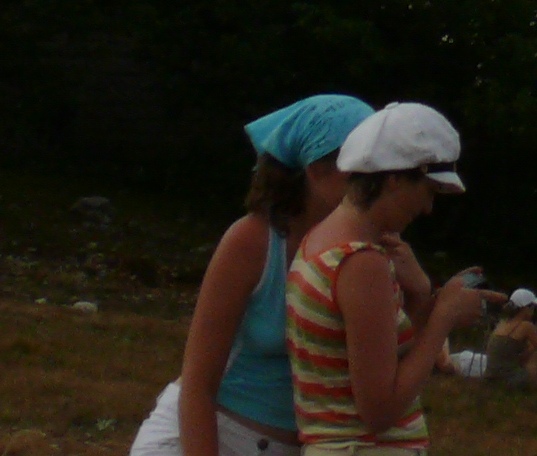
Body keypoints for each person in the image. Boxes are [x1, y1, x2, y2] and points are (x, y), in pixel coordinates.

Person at [132, 95, 374, 456]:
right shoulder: (254, 241)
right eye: (362, 170)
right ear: (316, 170)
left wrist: (424, 300)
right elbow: (198, 386)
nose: (376, 184)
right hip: (204, 436)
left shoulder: (368, 251)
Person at [287, 103, 485, 454]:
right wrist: (444, 318)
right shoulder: (361, 262)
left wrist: (422, 293)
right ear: (394, 178)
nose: (428, 208)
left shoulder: (319, 240)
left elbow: (383, 360)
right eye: (428, 191)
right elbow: (379, 411)